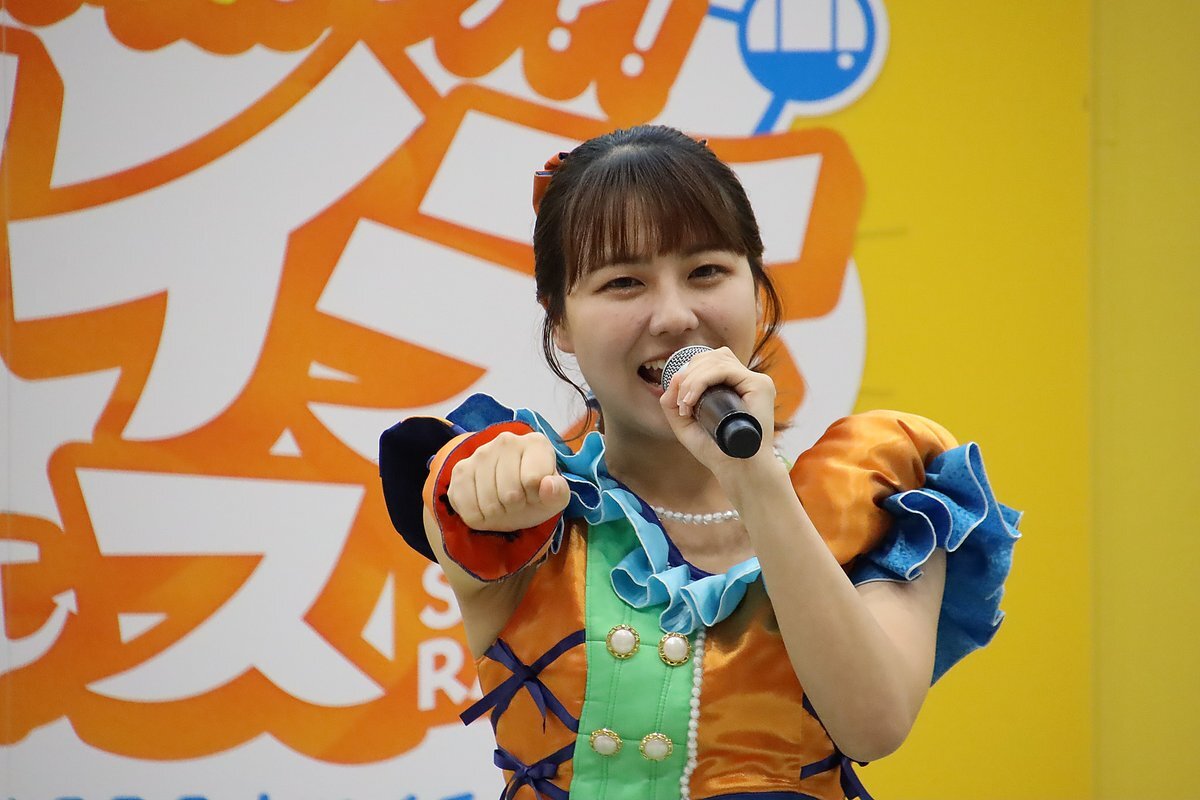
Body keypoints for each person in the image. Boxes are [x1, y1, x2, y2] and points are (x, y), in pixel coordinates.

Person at [380, 125, 1019, 800]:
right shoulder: (534, 506)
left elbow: (872, 725)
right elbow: (465, 486)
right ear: (559, 319)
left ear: (757, 288)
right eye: (623, 282)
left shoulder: (874, 494)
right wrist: (494, 479)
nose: (675, 316)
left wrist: (754, 479)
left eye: (706, 272)